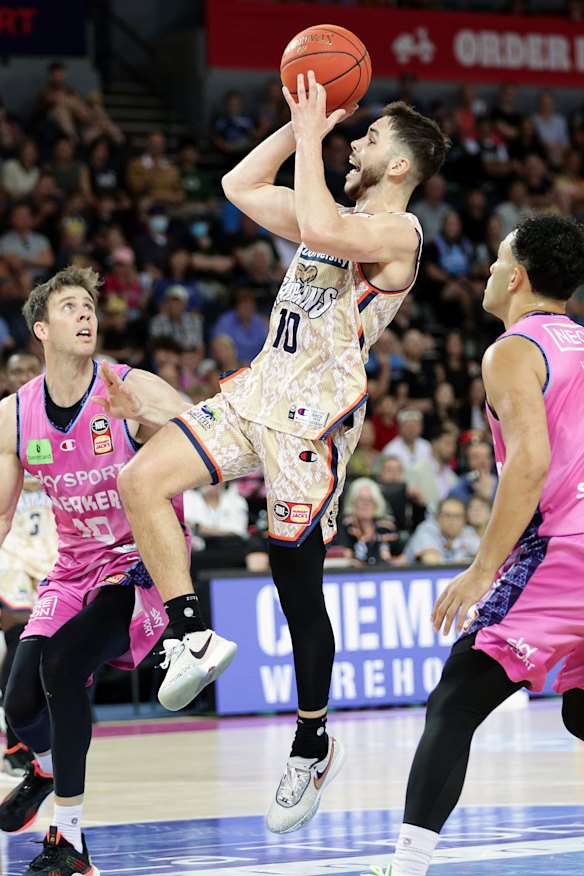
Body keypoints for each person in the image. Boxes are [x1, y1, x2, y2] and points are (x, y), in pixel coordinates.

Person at [96, 78, 450, 836]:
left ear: (399, 166)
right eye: (355, 135)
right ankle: (191, 632)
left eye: (369, 138)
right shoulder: (339, 214)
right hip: (257, 392)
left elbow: (318, 221)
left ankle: (312, 740)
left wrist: (312, 127)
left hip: (311, 429)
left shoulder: (400, 236)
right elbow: (237, 184)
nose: (354, 144)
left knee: (297, 591)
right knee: (140, 479)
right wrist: (300, 131)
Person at [0, 266, 235, 876]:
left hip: (139, 563)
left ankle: (69, 842)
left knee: (64, 665)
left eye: (90, 307)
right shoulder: (14, 415)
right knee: (20, 698)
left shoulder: (126, 385)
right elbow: (1, 511)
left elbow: (214, 438)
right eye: (70, 308)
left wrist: (157, 421)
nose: (86, 316)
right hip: (73, 567)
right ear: (40, 330)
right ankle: (46, 768)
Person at [389, 214, 584, 876]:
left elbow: (529, 464)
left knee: (456, 699)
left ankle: (407, 867)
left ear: (518, 277)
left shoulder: (512, 350)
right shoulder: (581, 344)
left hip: (562, 551)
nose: (490, 270)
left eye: (499, 260)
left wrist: (481, 569)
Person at [0, 351, 58, 777]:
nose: (21, 376)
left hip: (53, 547)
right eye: (14, 370)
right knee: (18, 632)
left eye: (27, 370)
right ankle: (18, 740)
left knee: (43, 648)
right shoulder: (4, 420)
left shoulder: (48, 417)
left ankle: (34, 735)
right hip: (13, 548)